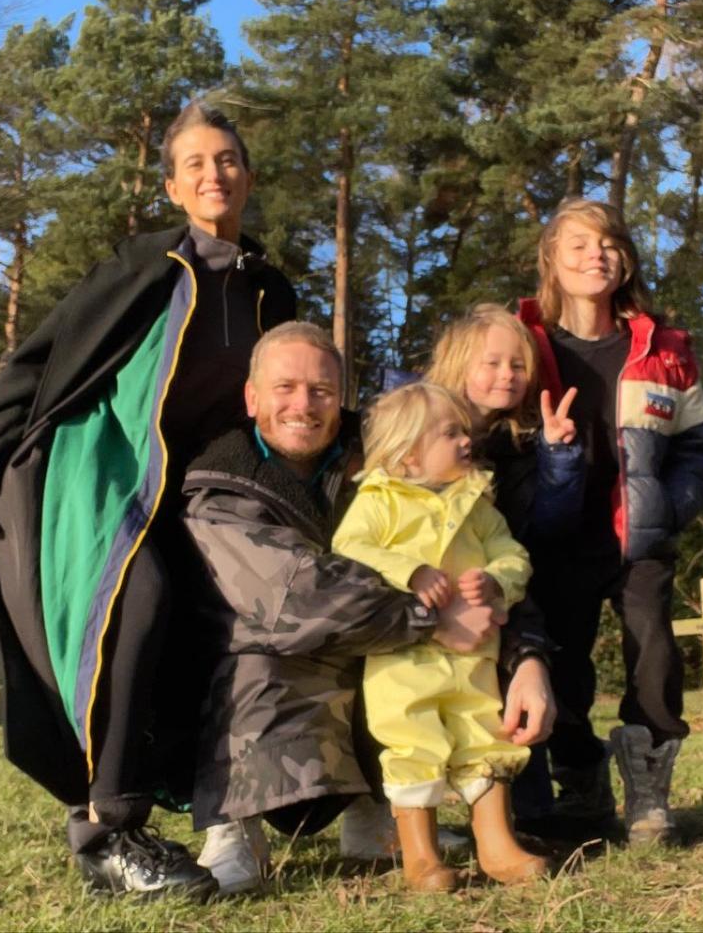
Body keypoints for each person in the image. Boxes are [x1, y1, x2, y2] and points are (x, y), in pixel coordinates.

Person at [0, 102, 296, 897]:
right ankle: (106, 834)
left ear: (249, 175)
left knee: (231, 624)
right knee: (136, 606)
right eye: (196, 163)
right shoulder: (139, 267)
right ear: (173, 186)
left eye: (228, 159)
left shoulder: (270, 291)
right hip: (98, 477)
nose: (214, 173)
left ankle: (229, 816)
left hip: (200, 493)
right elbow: (33, 367)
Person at [181, 322, 553, 894]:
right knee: (277, 666)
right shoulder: (225, 477)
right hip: (259, 661)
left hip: (407, 650)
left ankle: (380, 820)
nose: (303, 405)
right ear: (252, 397)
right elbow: (299, 596)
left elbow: (499, 553)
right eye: (284, 388)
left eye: (321, 391)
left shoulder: (391, 453)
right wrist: (431, 615)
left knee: (457, 722)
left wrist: (525, 649)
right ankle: (236, 824)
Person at [515, 197, 703, 844]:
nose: (594, 256)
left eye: (606, 245)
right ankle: (581, 781)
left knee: (654, 658)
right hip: (555, 535)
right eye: (578, 245)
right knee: (563, 666)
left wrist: (669, 507)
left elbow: (699, 447)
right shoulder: (524, 342)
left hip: (640, 536)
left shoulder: (663, 347)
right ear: (552, 259)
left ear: (624, 260)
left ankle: (651, 797)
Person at [331, 381, 549, 891]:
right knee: (412, 743)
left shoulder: (477, 502)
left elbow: (514, 554)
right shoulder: (378, 499)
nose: (466, 441)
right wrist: (410, 572)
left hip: (475, 655)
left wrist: (498, 580)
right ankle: (421, 859)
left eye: (464, 431)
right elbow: (350, 548)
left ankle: (497, 846)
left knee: (485, 736)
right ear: (408, 456)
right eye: (450, 433)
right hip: (404, 659)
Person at [425, 303, 592, 838]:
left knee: (512, 682)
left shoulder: (521, 445)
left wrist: (558, 458)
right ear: (456, 364)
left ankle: (529, 814)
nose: (507, 376)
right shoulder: (414, 429)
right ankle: (406, 816)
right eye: (492, 363)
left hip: (504, 585)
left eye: (518, 366)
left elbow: (548, 526)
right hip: (425, 585)